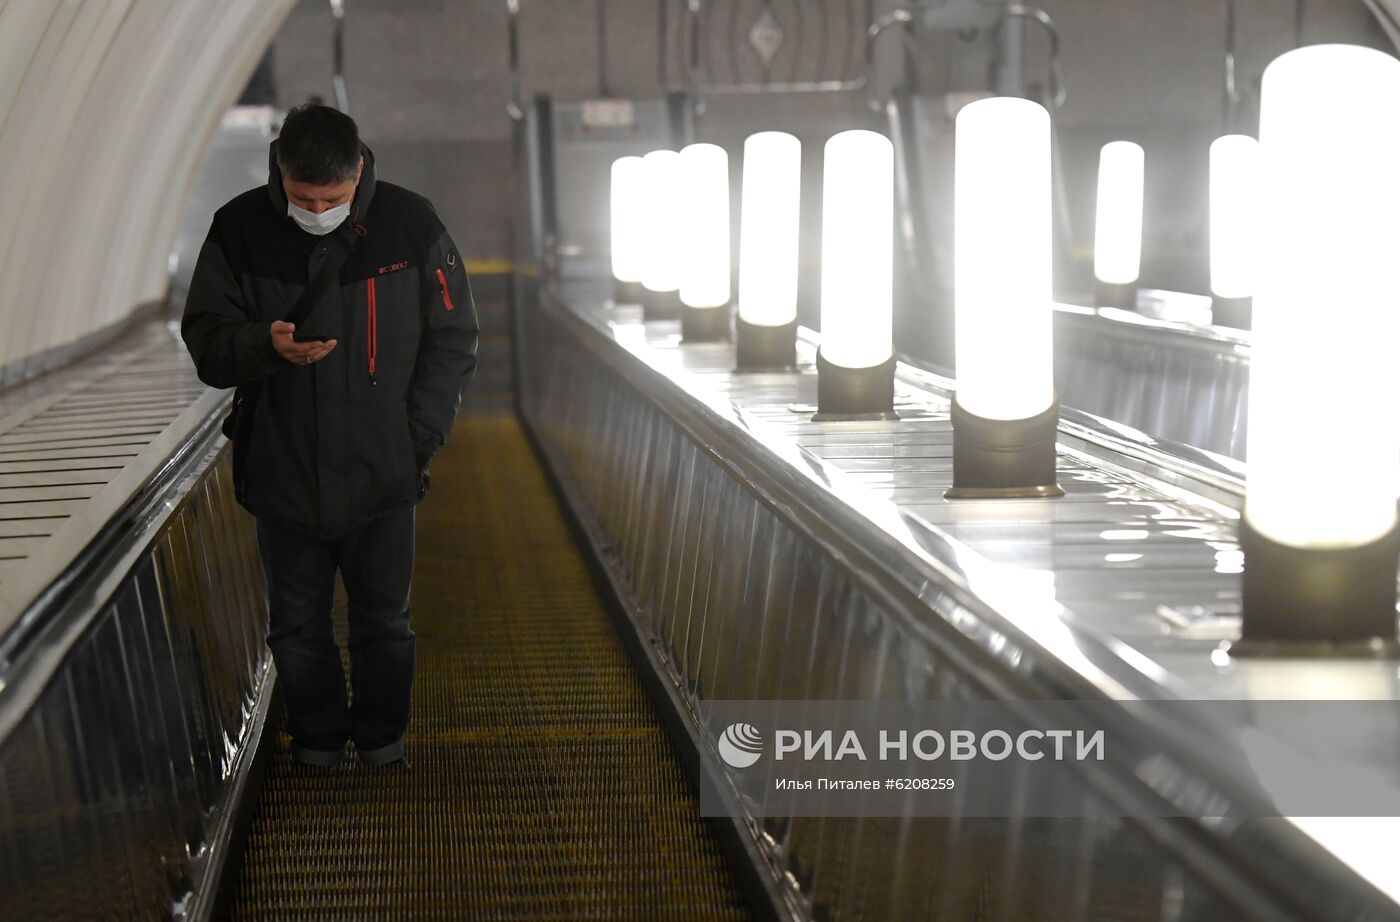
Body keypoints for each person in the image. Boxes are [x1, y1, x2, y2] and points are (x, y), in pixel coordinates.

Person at [181, 104, 479, 767]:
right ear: (279, 173)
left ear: (358, 171)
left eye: (333, 198)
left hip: (383, 473)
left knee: (384, 620)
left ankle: (382, 741)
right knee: (295, 625)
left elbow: (453, 339)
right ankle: (315, 743)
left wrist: (417, 439)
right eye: (302, 198)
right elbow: (207, 342)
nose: (317, 209)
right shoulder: (240, 230)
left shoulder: (410, 225)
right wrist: (264, 345)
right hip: (284, 471)